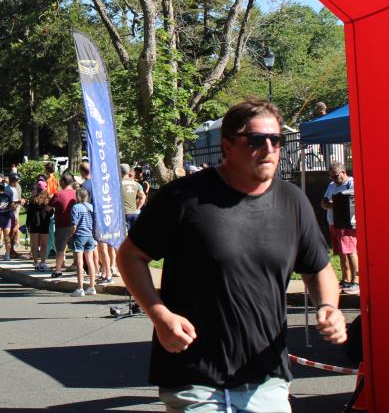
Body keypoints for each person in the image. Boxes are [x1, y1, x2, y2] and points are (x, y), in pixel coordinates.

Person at [117, 99, 345, 411]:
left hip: (266, 380)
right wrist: (160, 315)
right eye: (256, 140)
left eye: (276, 140)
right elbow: (130, 256)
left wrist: (328, 307)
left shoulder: (293, 201)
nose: (269, 149)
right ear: (227, 146)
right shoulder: (183, 198)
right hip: (195, 378)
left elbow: (318, 268)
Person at [321, 162, 359, 293]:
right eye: (331, 176)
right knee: (341, 253)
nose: (334, 179)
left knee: (350, 251)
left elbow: (351, 201)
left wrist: (334, 203)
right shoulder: (332, 185)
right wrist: (328, 204)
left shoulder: (351, 183)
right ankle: (345, 279)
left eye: (336, 176)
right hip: (333, 222)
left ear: (343, 172)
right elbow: (324, 202)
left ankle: (355, 280)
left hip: (346, 223)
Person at [70, 187, 98, 297]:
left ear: (77, 196)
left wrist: (71, 235)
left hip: (80, 236)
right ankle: (92, 287)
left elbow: (74, 225)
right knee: (90, 261)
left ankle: (80, 288)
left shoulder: (76, 207)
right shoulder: (91, 207)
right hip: (90, 236)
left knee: (80, 263)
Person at [48, 173, 77, 278]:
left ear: (64, 182)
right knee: (76, 248)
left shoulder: (59, 194)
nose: (59, 182)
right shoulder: (76, 193)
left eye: (60, 180)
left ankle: (58, 270)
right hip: (76, 225)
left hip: (62, 225)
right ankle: (78, 267)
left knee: (60, 249)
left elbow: (48, 207)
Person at [26, 180, 53, 271]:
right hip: (44, 224)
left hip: (34, 224)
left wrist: (27, 224)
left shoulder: (32, 200)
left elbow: (29, 214)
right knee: (44, 245)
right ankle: (43, 262)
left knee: (34, 245)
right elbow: (50, 213)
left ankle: (36, 263)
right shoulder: (48, 200)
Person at [0, 179, 15, 260]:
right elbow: (13, 207)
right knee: (7, 237)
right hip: (7, 217)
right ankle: (7, 255)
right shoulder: (8, 196)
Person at [120, 163, 147, 232]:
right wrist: (138, 209)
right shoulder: (137, 184)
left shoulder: (118, 184)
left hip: (123, 215)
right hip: (135, 214)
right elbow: (143, 197)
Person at [7, 173, 24, 258]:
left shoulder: (13, 188)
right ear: (12, 180)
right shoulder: (8, 189)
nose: (16, 182)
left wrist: (19, 202)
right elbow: (8, 202)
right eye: (15, 181)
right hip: (10, 213)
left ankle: (12, 250)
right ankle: (10, 251)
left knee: (14, 230)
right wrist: (18, 202)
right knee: (12, 231)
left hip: (13, 212)